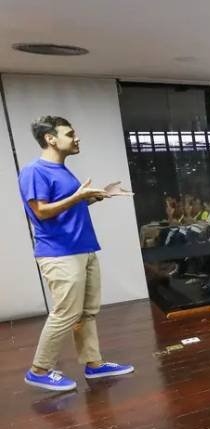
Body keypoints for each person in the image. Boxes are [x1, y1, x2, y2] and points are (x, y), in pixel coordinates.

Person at [19, 115, 135, 391]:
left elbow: (67, 209)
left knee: (87, 313)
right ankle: (39, 370)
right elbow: (40, 212)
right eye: (70, 134)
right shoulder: (34, 171)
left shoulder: (62, 170)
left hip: (84, 248)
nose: (77, 138)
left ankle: (93, 365)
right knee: (65, 313)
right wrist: (78, 197)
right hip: (59, 253)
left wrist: (97, 195)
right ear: (51, 139)